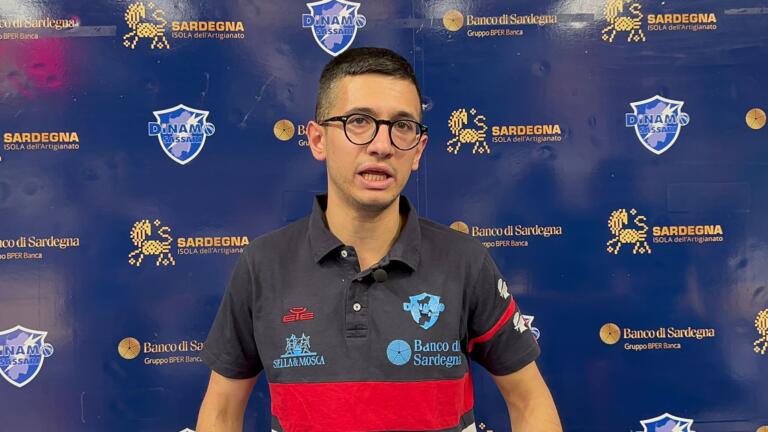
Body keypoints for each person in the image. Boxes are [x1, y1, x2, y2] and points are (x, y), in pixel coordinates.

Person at [196, 47, 562, 432]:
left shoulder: (465, 262)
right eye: (359, 121)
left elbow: (529, 400)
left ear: (418, 150)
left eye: (402, 126)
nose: (382, 145)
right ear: (318, 140)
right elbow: (221, 411)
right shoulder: (263, 264)